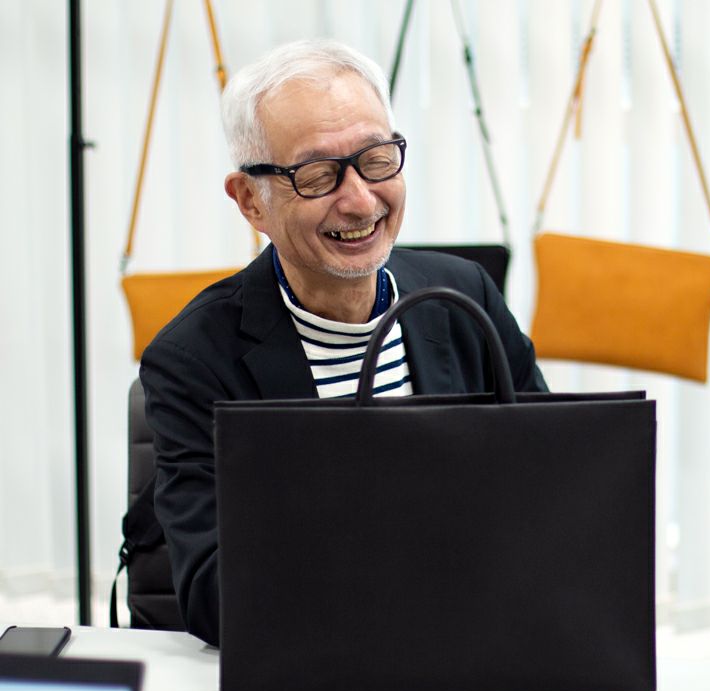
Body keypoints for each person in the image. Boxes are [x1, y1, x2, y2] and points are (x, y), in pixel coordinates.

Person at [140, 39, 547, 647]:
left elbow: (550, 491)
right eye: (317, 175)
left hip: (479, 644)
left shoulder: (467, 297)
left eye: (376, 159)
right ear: (251, 200)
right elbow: (213, 594)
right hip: (319, 662)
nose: (359, 200)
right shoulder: (192, 360)